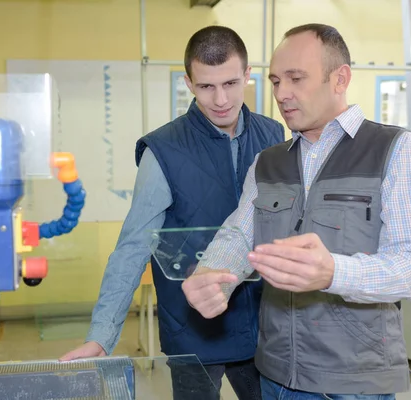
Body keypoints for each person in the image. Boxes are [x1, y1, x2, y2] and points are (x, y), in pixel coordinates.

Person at [181, 23, 411, 400]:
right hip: (273, 376)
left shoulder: (394, 150)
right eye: (274, 81)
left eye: (296, 78)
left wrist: (334, 272)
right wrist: (213, 275)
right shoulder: (266, 163)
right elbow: (239, 234)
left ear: (340, 79)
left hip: (353, 384)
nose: (281, 94)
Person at [60, 25, 285, 399]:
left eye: (230, 83)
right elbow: (133, 247)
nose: (221, 99)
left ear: (248, 75)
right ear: (188, 83)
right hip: (193, 332)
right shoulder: (162, 151)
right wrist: (102, 336)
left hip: (262, 327)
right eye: (206, 86)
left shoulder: (273, 135)